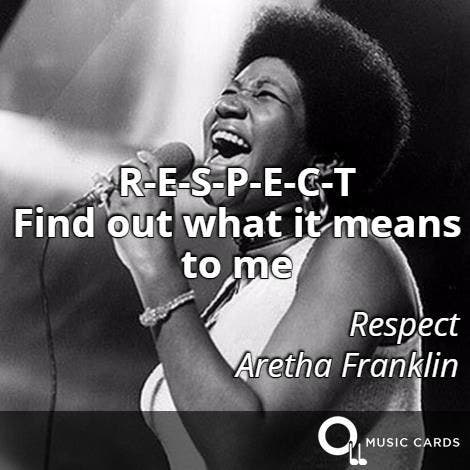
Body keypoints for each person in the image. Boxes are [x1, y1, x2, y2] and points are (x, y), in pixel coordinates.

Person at [105, 7, 424, 470]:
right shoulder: (244, 287)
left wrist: (155, 266)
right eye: (230, 90)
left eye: (265, 95)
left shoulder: (357, 251)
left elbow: (243, 450)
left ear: (323, 163)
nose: (228, 106)